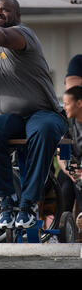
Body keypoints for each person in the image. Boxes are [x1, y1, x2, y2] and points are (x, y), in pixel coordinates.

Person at [0, 0, 68, 230]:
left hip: (43, 113)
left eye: (5, 9)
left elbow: (3, 37)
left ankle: (29, 203)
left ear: (18, 16)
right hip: (9, 118)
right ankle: (7, 201)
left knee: (43, 129)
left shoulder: (22, 34)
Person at [58, 86, 82, 233]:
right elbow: (63, 156)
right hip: (73, 168)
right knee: (66, 183)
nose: (64, 107)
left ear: (79, 103)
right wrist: (71, 171)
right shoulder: (68, 126)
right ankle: (63, 228)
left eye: (67, 103)